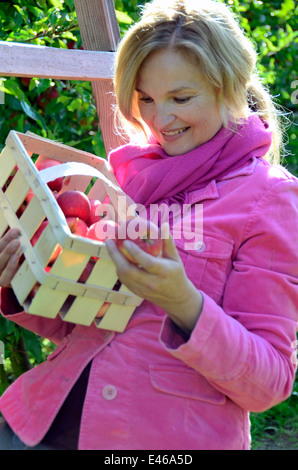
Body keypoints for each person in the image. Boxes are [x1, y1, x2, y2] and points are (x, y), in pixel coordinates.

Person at [0, 0, 297, 451]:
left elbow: (269, 382)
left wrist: (183, 303)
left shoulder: (269, 198)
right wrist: (23, 279)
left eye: (181, 98)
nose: (160, 121)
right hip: (39, 420)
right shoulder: (130, 180)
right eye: (146, 99)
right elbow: (85, 326)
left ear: (230, 88)